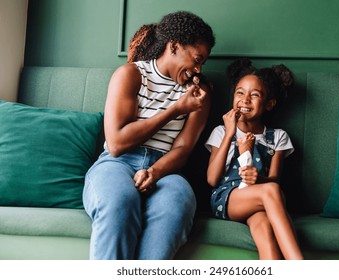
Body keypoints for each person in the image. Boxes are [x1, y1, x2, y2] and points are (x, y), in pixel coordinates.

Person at [83, 11, 215, 260]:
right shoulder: (131, 74)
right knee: (119, 202)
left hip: (166, 169)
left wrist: (154, 172)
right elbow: (117, 143)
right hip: (117, 163)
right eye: (196, 59)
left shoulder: (200, 93)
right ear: (174, 46)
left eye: (203, 63)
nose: (198, 69)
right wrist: (175, 109)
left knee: (177, 203)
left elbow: (183, 149)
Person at [205, 58, 303, 260]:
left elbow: (275, 179)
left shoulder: (278, 137)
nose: (245, 99)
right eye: (240, 93)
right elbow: (212, 180)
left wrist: (258, 180)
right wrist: (230, 133)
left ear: (269, 104)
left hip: (260, 201)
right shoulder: (221, 131)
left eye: (255, 95)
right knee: (273, 191)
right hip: (228, 199)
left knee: (264, 228)